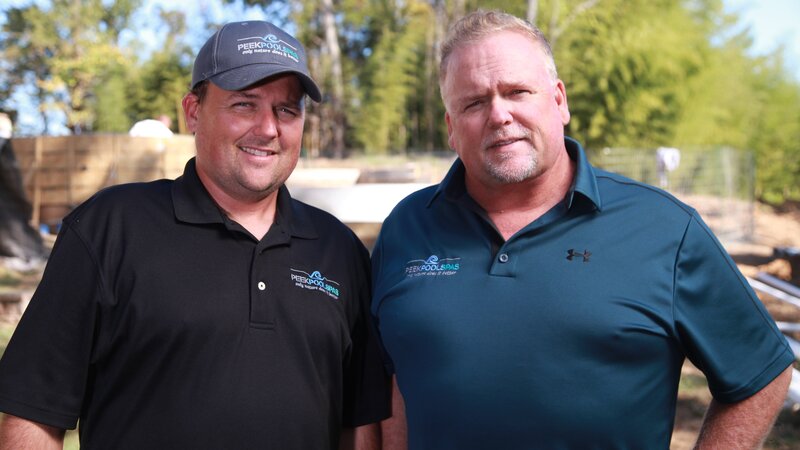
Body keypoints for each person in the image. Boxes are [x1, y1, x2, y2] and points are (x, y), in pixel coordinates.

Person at [371, 10, 793, 449]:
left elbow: (762, 372)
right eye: (473, 103)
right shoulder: (407, 226)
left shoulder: (663, 228)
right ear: (451, 128)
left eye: (517, 92)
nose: (499, 115)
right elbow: (392, 376)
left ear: (559, 101)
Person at [0, 20, 390, 449]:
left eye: (287, 110)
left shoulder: (339, 250)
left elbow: (360, 424)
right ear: (192, 111)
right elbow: (32, 414)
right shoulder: (110, 228)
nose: (268, 128)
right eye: (244, 104)